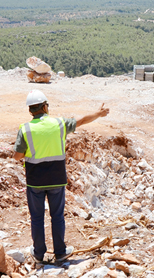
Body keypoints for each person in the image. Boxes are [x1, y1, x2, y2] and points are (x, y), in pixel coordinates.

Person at [12, 89, 109, 263]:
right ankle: (60, 252)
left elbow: (17, 156)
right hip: (56, 178)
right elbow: (82, 120)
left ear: (30, 110)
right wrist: (99, 113)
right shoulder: (59, 124)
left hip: (35, 181)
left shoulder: (25, 129)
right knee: (57, 216)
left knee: (37, 218)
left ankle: (39, 254)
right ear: (45, 107)